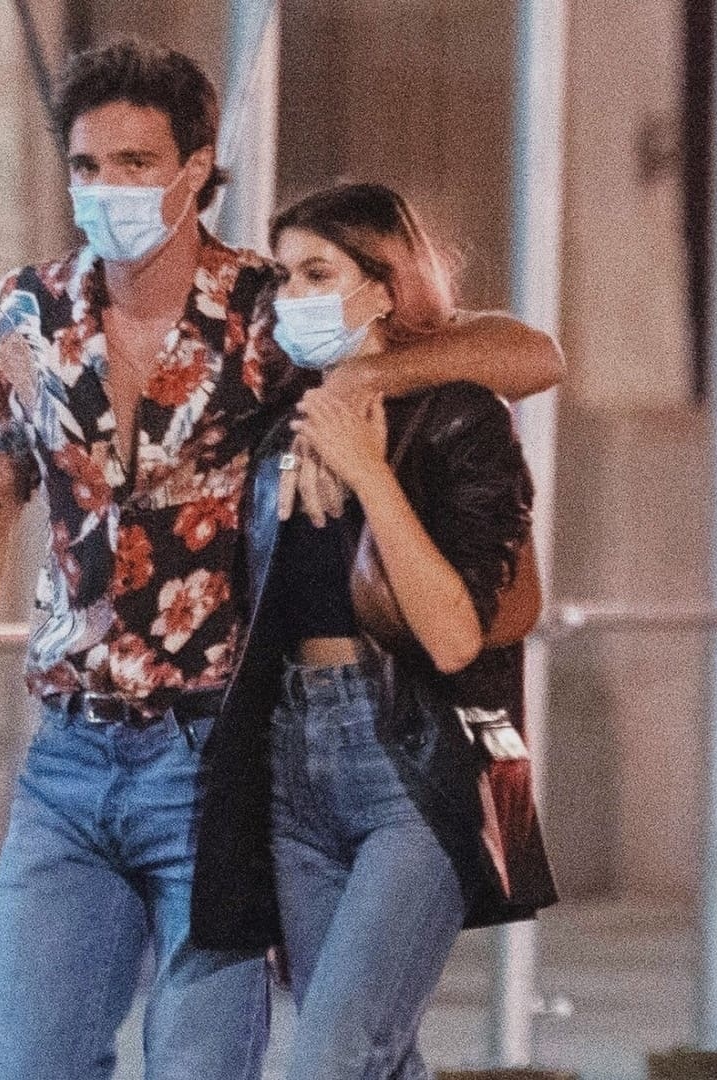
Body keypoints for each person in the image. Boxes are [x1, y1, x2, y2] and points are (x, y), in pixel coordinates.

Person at [0, 40, 563, 1080]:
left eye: (135, 163)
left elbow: (527, 354)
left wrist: (365, 385)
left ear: (196, 168)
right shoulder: (26, 313)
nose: (107, 189)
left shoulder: (270, 308)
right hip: (68, 754)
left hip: (217, 757)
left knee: (215, 1063)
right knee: (20, 1061)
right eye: (86, 166)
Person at [190, 183, 558, 1080]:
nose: (293, 297)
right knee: (372, 1060)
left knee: (334, 1060)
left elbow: (455, 638)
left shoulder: (458, 416)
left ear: (384, 288)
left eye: (319, 274)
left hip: (412, 758)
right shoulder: (281, 426)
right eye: (284, 277)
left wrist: (367, 468)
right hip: (295, 761)